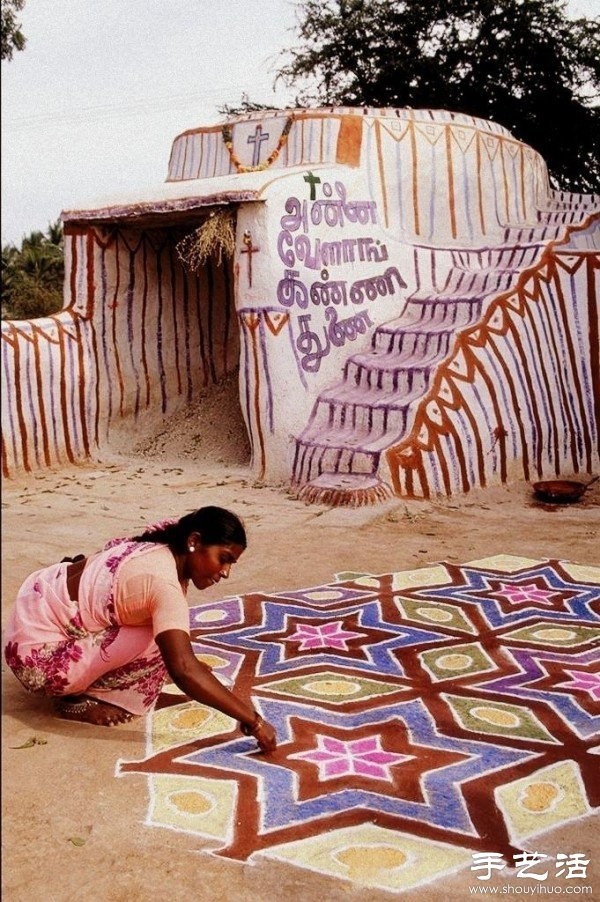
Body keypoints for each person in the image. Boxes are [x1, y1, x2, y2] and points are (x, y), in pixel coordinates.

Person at [3, 506, 277, 754]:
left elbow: (105, 555)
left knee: (166, 632)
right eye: (224, 558)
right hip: (37, 661)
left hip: (31, 607)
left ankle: (87, 669)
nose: (226, 572)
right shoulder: (164, 585)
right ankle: (79, 698)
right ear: (193, 542)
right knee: (160, 639)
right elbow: (183, 669)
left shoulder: (157, 543)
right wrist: (252, 720)